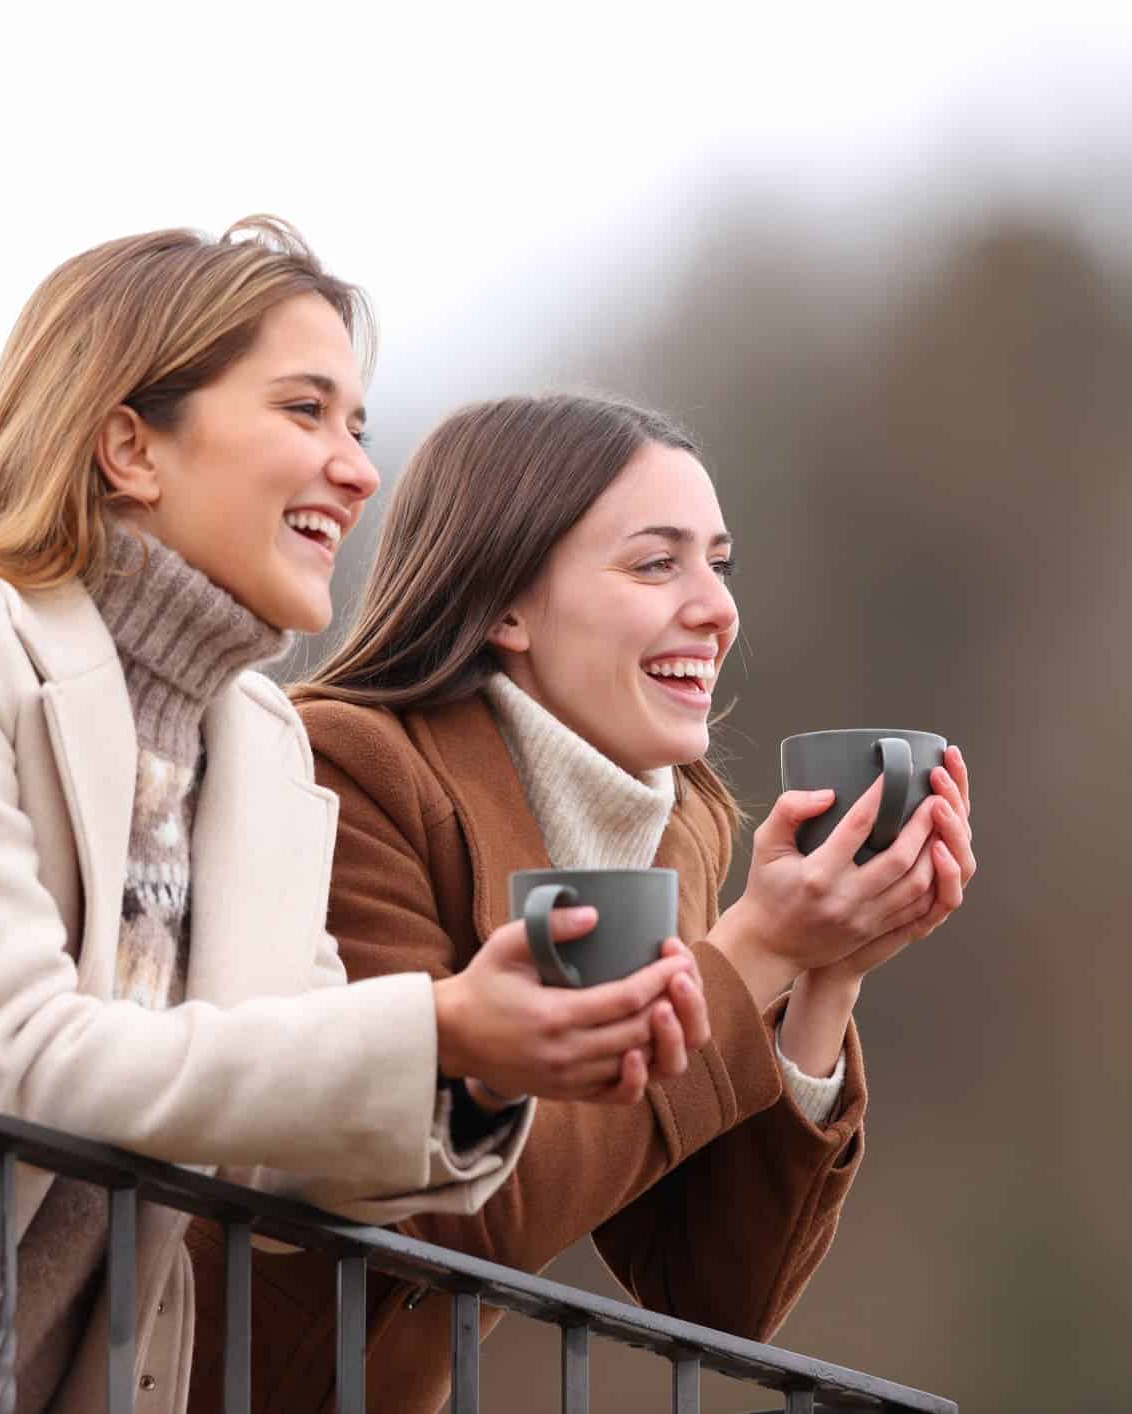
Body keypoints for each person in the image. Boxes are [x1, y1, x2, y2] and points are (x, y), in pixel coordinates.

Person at [0, 225, 698, 1414]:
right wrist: (441, 1024)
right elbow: (14, 1061)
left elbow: (288, 1139)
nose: (359, 468)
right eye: (305, 410)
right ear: (131, 444)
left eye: (359, 427)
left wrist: (472, 1067)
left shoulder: (260, 747)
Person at [183, 393, 978, 1413]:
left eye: (719, 564)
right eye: (658, 563)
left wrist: (826, 977)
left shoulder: (680, 827)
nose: (715, 607)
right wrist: (759, 947)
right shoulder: (346, 767)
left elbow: (709, 1290)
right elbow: (460, 1203)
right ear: (507, 602)